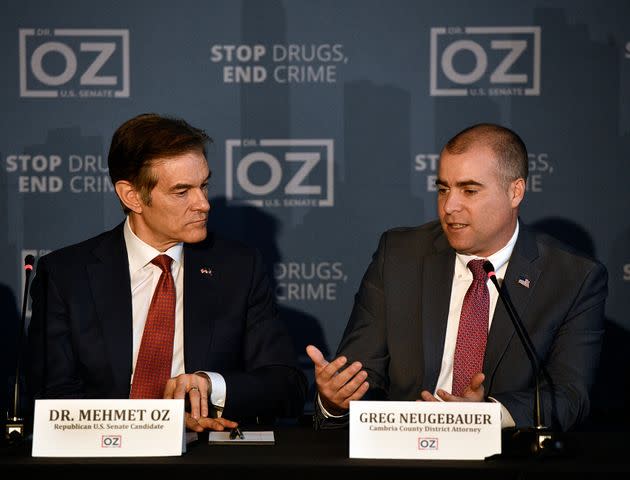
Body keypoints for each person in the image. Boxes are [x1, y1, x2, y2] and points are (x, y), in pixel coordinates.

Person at [307, 123, 607, 431]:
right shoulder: (399, 256)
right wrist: (335, 400)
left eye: (469, 190)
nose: (449, 206)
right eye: (443, 189)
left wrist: (485, 416)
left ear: (515, 191)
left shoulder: (573, 277)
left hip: (505, 461)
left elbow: (569, 396)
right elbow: (359, 372)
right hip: (404, 453)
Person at [27, 113, 307, 432]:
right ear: (132, 196)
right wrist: (150, 425)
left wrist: (211, 386)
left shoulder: (239, 268)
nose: (203, 204)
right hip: (102, 459)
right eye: (182, 191)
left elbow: (286, 385)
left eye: (204, 185)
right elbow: (52, 398)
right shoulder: (67, 275)